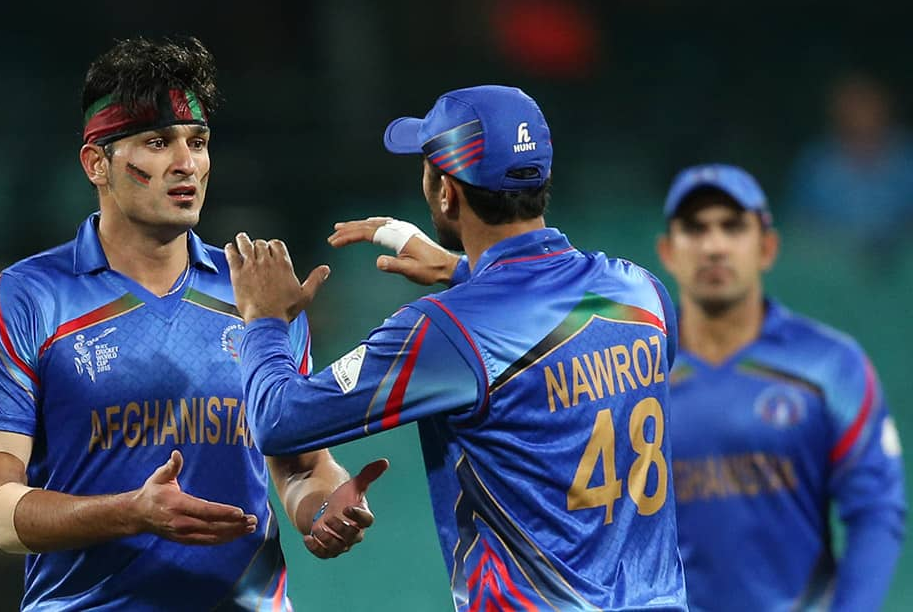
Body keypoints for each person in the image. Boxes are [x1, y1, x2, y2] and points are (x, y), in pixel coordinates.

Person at [0, 35, 386, 612]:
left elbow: (299, 465)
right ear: (96, 163)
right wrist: (130, 512)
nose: (187, 163)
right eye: (157, 142)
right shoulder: (23, 302)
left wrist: (327, 507)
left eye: (198, 142)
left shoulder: (256, 297)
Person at [223, 85, 687, 610]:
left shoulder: (445, 331)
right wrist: (460, 270)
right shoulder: (641, 293)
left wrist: (263, 320)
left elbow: (279, 418)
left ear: (447, 192)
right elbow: (544, 325)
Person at [655, 163, 906, 611]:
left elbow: (875, 510)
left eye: (732, 227)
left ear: (767, 247)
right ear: (668, 252)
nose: (713, 246)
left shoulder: (830, 364)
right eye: (695, 229)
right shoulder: (636, 373)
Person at [788, 71, 913, 263]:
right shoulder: (817, 164)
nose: (860, 113)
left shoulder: (906, 159)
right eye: (851, 103)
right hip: (834, 270)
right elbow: (800, 226)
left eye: (866, 102)